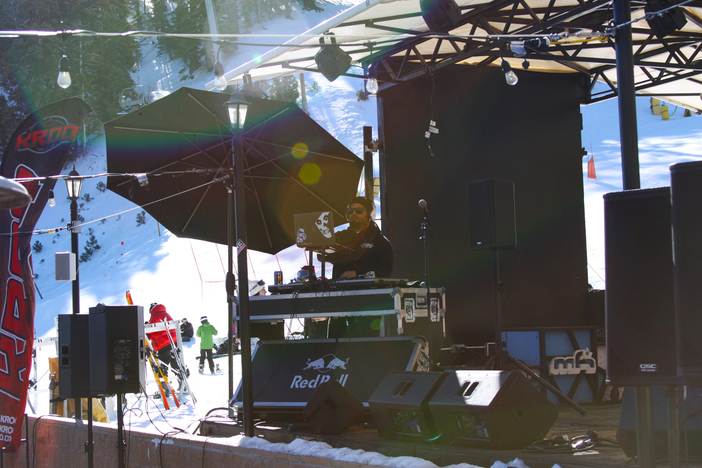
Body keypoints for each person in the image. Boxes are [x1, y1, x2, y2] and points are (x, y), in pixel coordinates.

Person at [327, 196, 393, 280]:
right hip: (340, 290)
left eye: (359, 211)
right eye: (350, 211)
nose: (354, 214)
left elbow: (385, 270)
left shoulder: (380, 241)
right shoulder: (339, 237)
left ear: (369, 214)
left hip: (368, 290)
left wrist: (357, 273)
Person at [147, 303, 180, 394]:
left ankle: (164, 386)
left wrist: (146, 326)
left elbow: (150, 333)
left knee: (163, 365)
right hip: (174, 342)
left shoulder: (154, 315)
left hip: (163, 344)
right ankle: (181, 381)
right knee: (175, 362)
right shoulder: (166, 314)